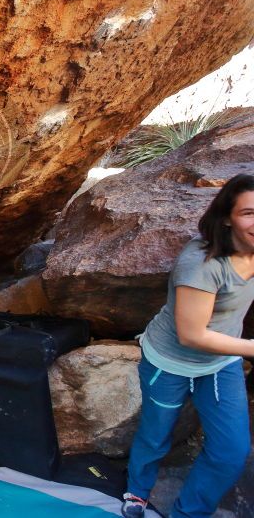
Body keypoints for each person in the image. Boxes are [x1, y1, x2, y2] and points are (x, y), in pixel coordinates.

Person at [122, 174, 254, 518]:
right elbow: (191, 335)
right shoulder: (202, 262)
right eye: (249, 213)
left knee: (230, 451)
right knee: (156, 435)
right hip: (169, 362)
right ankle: (137, 492)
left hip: (219, 364)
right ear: (227, 217)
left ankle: (189, 513)